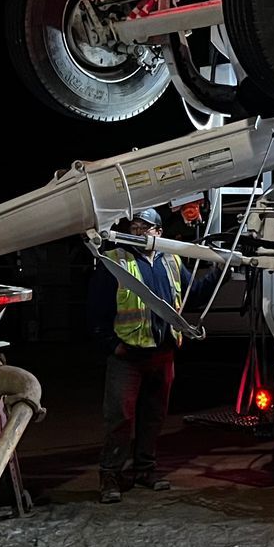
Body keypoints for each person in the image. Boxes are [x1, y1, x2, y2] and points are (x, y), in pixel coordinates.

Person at [89, 207, 189, 502]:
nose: (137, 232)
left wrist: (223, 269)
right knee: (120, 416)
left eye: (144, 227)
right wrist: (111, 345)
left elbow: (192, 291)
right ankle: (110, 474)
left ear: (159, 232)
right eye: (133, 227)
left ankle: (145, 469)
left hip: (163, 353)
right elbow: (95, 312)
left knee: (153, 416)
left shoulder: (171, 260)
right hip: (128, 356)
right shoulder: (116, 262)